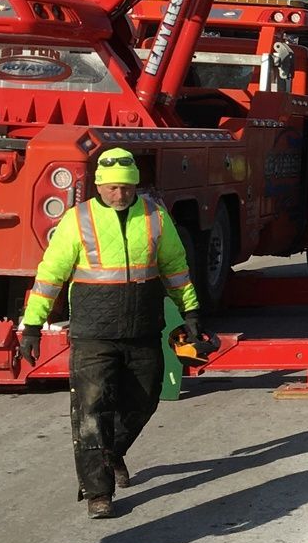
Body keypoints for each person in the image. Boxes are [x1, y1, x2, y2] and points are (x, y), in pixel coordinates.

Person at [18, 149, 203, 519]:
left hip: (143, 329)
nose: (120, 194)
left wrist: (191, 312)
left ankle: (111, 453)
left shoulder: (154, 217)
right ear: (99, 186)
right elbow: (50, 276)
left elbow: (175, 268)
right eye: (113, 187)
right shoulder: (78, 220)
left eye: (127, 187)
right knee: (91, 411)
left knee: (144, 399)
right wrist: (33, 326)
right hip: (93, 333)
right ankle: (98, 492)